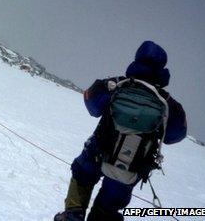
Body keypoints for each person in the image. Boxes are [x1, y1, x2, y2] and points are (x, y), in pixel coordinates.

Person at [54, 41, 187, 221]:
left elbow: (92, 105)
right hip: (132, 165)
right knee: (107, 208)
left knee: (82, 176)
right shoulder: (169, 104)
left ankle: (72, 215)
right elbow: (175, 135)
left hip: (96, 152)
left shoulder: (115, 85)